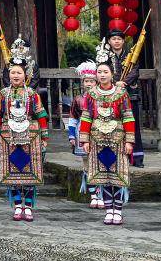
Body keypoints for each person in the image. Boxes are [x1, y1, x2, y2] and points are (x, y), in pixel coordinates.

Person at [0, 37, 47, 222]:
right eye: (13, 72)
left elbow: (41, 115)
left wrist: (44, 137)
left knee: (30, 169)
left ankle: (28, 205)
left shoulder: (32, 94)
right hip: (8, 136)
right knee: (12, 169)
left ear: (25, 74)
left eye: (19, 73)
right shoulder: (3, 94)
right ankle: (16, 204)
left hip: (30, 135)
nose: (15, 76)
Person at [78, 55, 135, 226]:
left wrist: (129, 141)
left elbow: (128, 117)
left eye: (105, 72)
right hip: (97, 140)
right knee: (103, 176)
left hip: (118, 140)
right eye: (99, 72)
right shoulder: (91, 94)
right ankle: (109, 210)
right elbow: (86, 117)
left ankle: (118, 211)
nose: (102, 75)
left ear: (112, 74)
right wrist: (85, 140)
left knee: (117, 176)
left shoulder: (121, 94)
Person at [102, 29, 144, 167]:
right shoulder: (105, 55)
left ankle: (137, 158)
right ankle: (116, 157)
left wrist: (124, 82)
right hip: (111, 94)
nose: (116, 41)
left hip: (130, 94)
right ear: (109, 41)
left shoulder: (131, 54)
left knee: (133, 125)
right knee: (113, 125)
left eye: (119, 39)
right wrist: (114, 83)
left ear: (123, 41)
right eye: (114, 39)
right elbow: (103, 72)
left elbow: (135, 71)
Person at [69, 61, 101, 209]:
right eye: (86, 81)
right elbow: (73, 119)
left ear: (97, 82)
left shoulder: (102, 97)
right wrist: (71, 136)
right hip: (82, 133)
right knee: (87, 163)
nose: (89, 84)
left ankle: (101, 193)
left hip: (100, 132)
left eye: (91, 81)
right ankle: (93, 194)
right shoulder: (78, 99)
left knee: (100, 163)